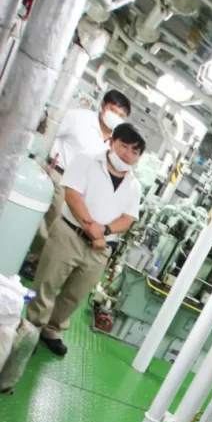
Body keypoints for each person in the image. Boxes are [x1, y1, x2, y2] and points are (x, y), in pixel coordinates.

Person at [27, 123, 145, 357]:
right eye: (124, 146)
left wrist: (105, 230)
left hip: (101, 248)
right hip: (69, 234)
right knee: (46, 283)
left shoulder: (134, 186)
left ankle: (52, 330)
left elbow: (128, 218)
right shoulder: (86, 161)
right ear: (112, 142)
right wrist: (93, 229)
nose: (128, 154)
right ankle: (31, 330)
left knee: (75, 294)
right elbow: (72, 195)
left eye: (135, 151)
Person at [23, 89, 132, 278]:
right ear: (103, 106)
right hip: (58, 175)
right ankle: (31, 260)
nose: (116, 117)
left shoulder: (116, 142)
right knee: (49, 224)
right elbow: (49, 133)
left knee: (62, 229)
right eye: (113, 110)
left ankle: (38, 262)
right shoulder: (78, 118)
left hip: (82, 191)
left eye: (121, 115)